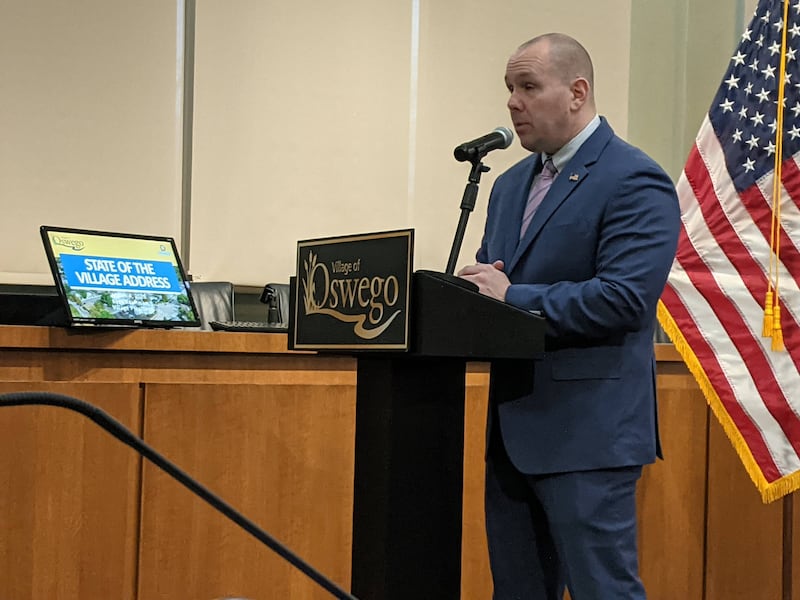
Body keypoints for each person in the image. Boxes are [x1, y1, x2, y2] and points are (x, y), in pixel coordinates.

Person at [457, 33, 680, 599]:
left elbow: (625, 299)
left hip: (589, 436)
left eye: (528, 86)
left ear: (577, 92)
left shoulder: (634, 178)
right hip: (512, 433)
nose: (513, 101)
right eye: (510, 88)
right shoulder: (508, 186)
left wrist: (511, 296)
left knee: (603, 591)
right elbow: (496, 282)